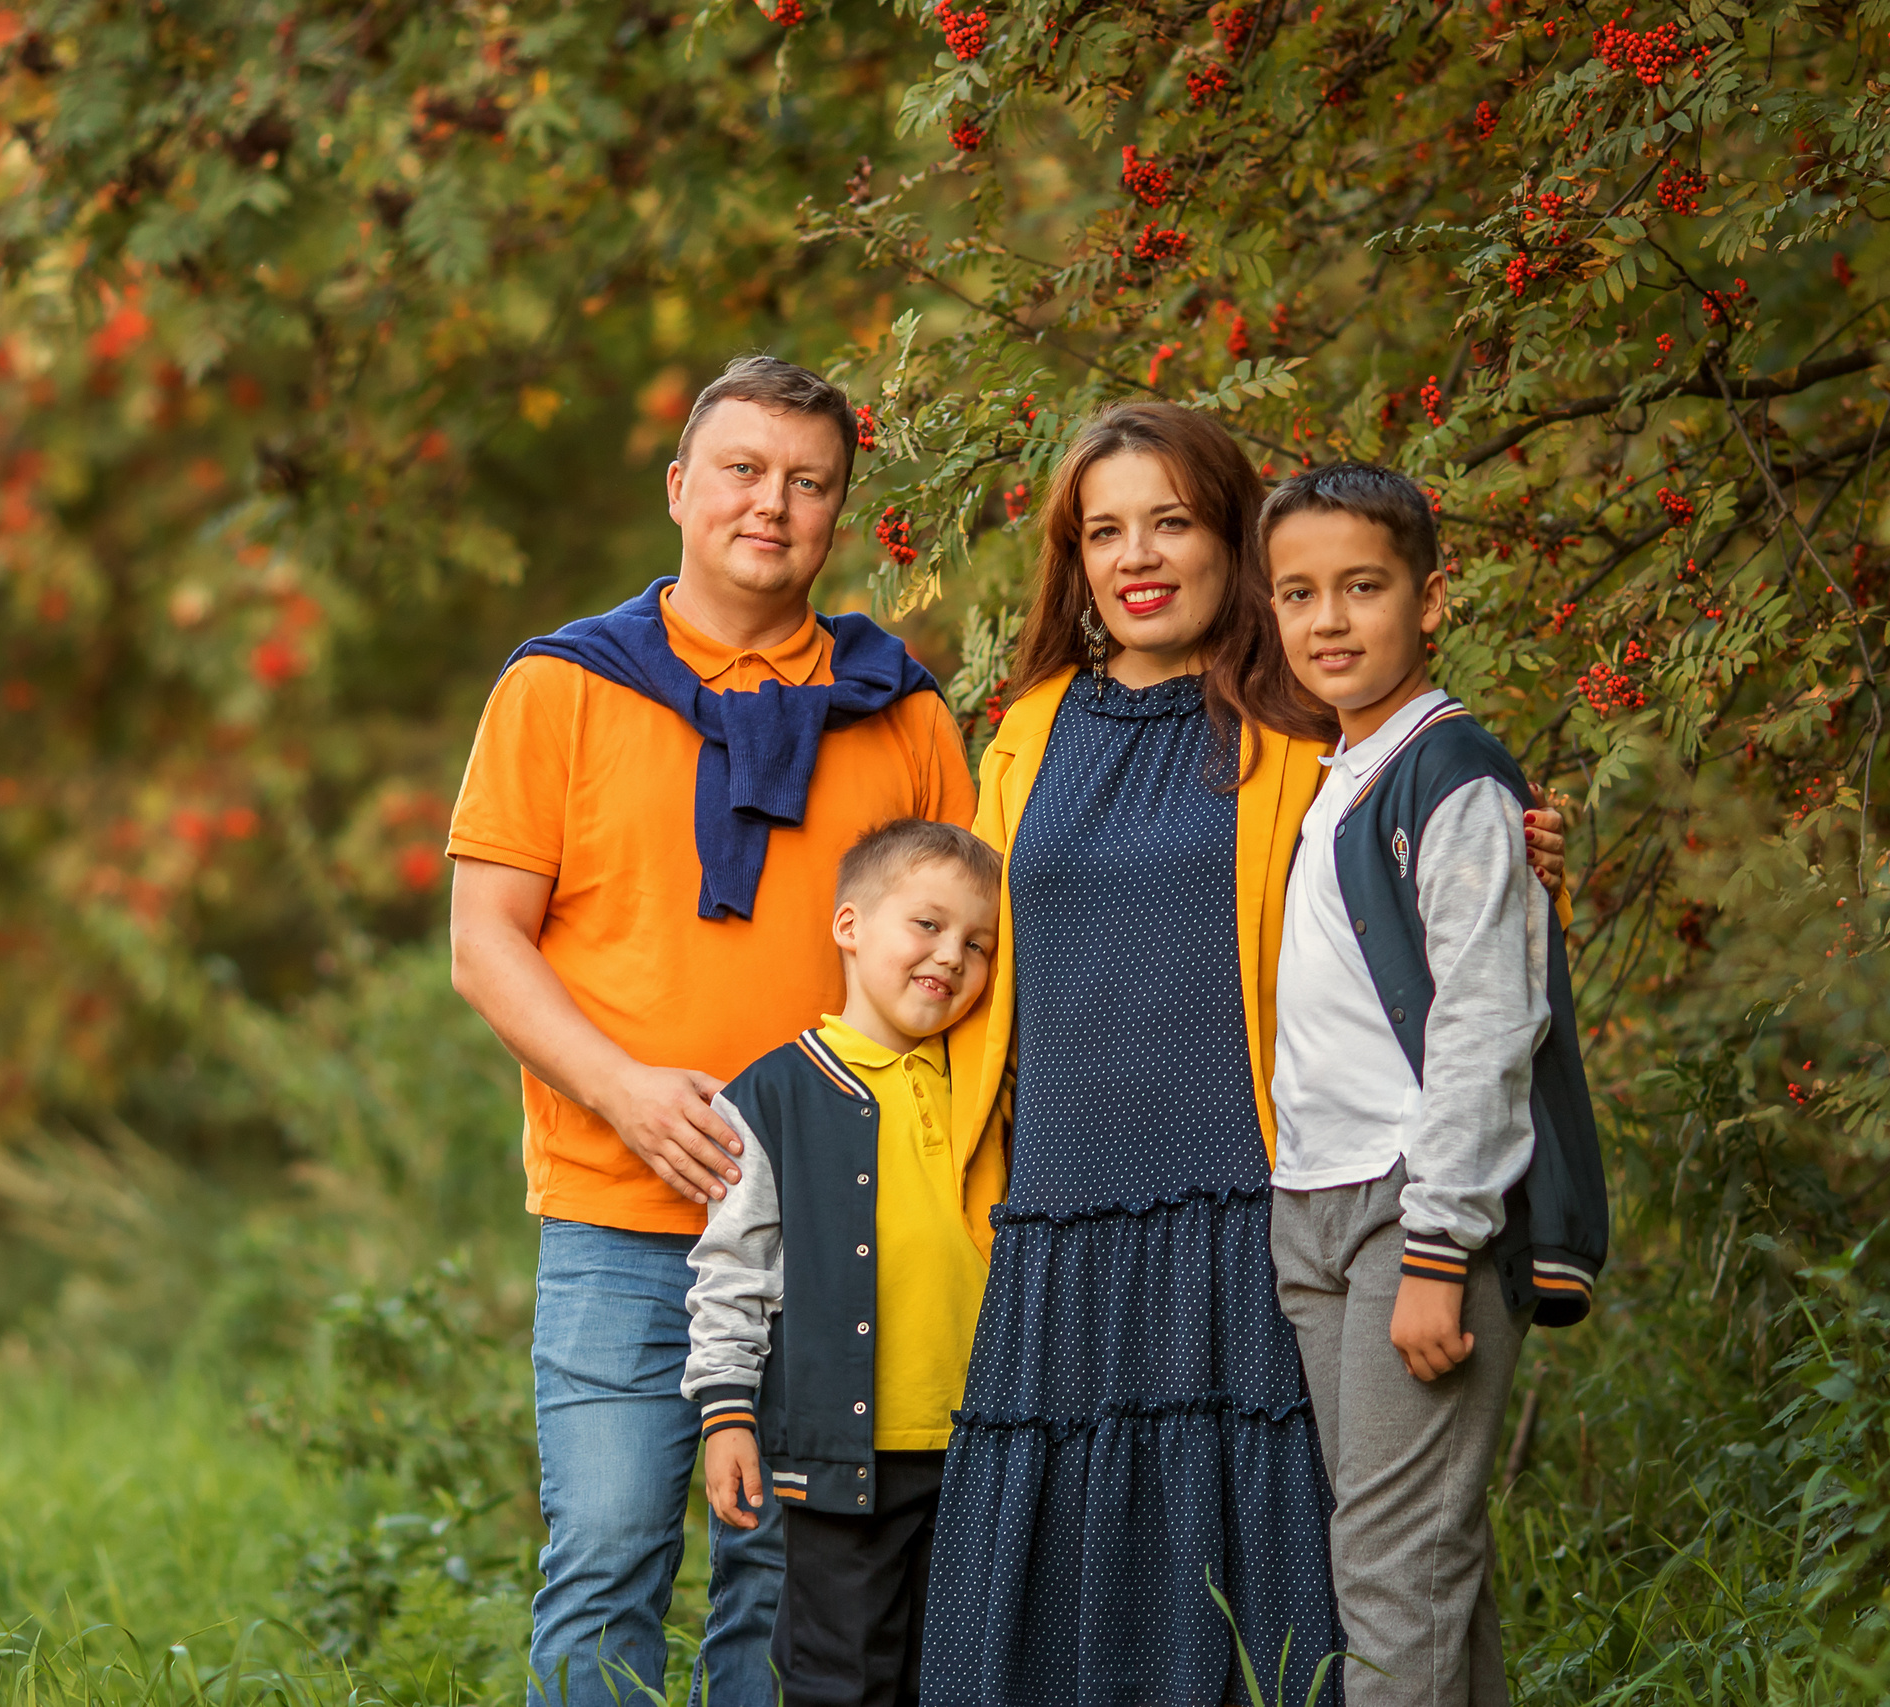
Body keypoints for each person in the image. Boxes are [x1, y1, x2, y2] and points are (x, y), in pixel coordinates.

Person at [916, 404, 1570, 1707]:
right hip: (1060, 1209)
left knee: (1346, 1569)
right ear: (1072, 557)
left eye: (1170, 520)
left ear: (1234, 539)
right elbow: (960, 948)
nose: (1137, 555)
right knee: (1057, 1570)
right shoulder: (1026, 732)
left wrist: (1530, 857)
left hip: (1248, 1203)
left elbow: (1419, 909)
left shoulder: (1307, 723)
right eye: (1105, 530)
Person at [445, 356, 975, 1707]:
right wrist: (623, 1090)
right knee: (606, 1557)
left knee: (788, 1586)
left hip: (841, 1220)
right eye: (743, 470)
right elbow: (485, 941)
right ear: (681, 487)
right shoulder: (562, 688)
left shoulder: (903, 709)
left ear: (839, 512)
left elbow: (967, 957)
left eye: (808, 482)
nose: (771, 505)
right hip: (619, 1205)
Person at [1260, 462, 1608, 1707]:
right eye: (1298, 593)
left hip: (1413, 1205)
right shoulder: (1329, 774)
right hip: (1312, 1199)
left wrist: (1438, 1245)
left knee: (1392, 1570)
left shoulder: (1450, 772)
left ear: (1431, 597)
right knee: (1416, 1562)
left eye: (1363, 587)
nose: (1329, 620)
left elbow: (1484, 1022)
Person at [684, 819, 1007, 1707]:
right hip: (843, 1461)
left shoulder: (984, 1086)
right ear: (850, 926)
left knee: (954, 1680)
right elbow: (733, 1272)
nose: (953, 956)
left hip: (976, 1446)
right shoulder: (774, 1095)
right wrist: (725, 1413)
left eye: (979, 944)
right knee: (840, 1679)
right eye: (928, 924)